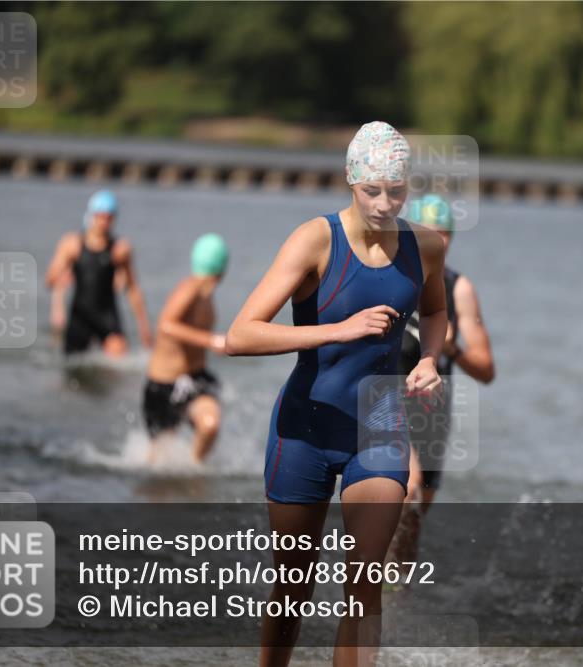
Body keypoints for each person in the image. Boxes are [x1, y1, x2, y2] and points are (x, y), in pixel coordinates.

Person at [225, 121, 448, 667]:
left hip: (378, 424)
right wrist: (337, 329)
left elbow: (437, 311)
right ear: (350, 178)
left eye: (396, 190)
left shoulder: (425, 246)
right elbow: (240, 334)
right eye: (372, 189)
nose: (384, 202)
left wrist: (428, 359)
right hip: (305, 427)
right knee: (292, 589)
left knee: (365, 587)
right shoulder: (315, 240)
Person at [388, 194, 496, 567]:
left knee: (417, 512)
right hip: (389, 399)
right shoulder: (389, 276)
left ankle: (397, 590)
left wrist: (453, 350)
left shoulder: (459, 289)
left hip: (434, 410)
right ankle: (371, 585)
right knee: (408, 489)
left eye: (446, 233)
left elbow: (486, 370)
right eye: (430, 232)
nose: (441, 241)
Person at [142, 234, 228, 464]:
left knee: (210, 424)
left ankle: (194, 470)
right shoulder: (190, 288)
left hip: (194, 379)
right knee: (157, 464)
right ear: (222, 266)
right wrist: (211, 341)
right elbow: (166, 324)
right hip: (164, 385)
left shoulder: (207, 295)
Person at [44, 190, 152, 356]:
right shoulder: (72, 244)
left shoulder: (120, 249)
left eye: (109, 217)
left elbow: (133, 290)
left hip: (107, 314)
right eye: (100, 216)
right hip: (80, 315)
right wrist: (58, 290)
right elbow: (49, 280)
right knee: (72, 366)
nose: (104, 222)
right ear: (92, 215)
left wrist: (143, 327)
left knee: (119, 361)